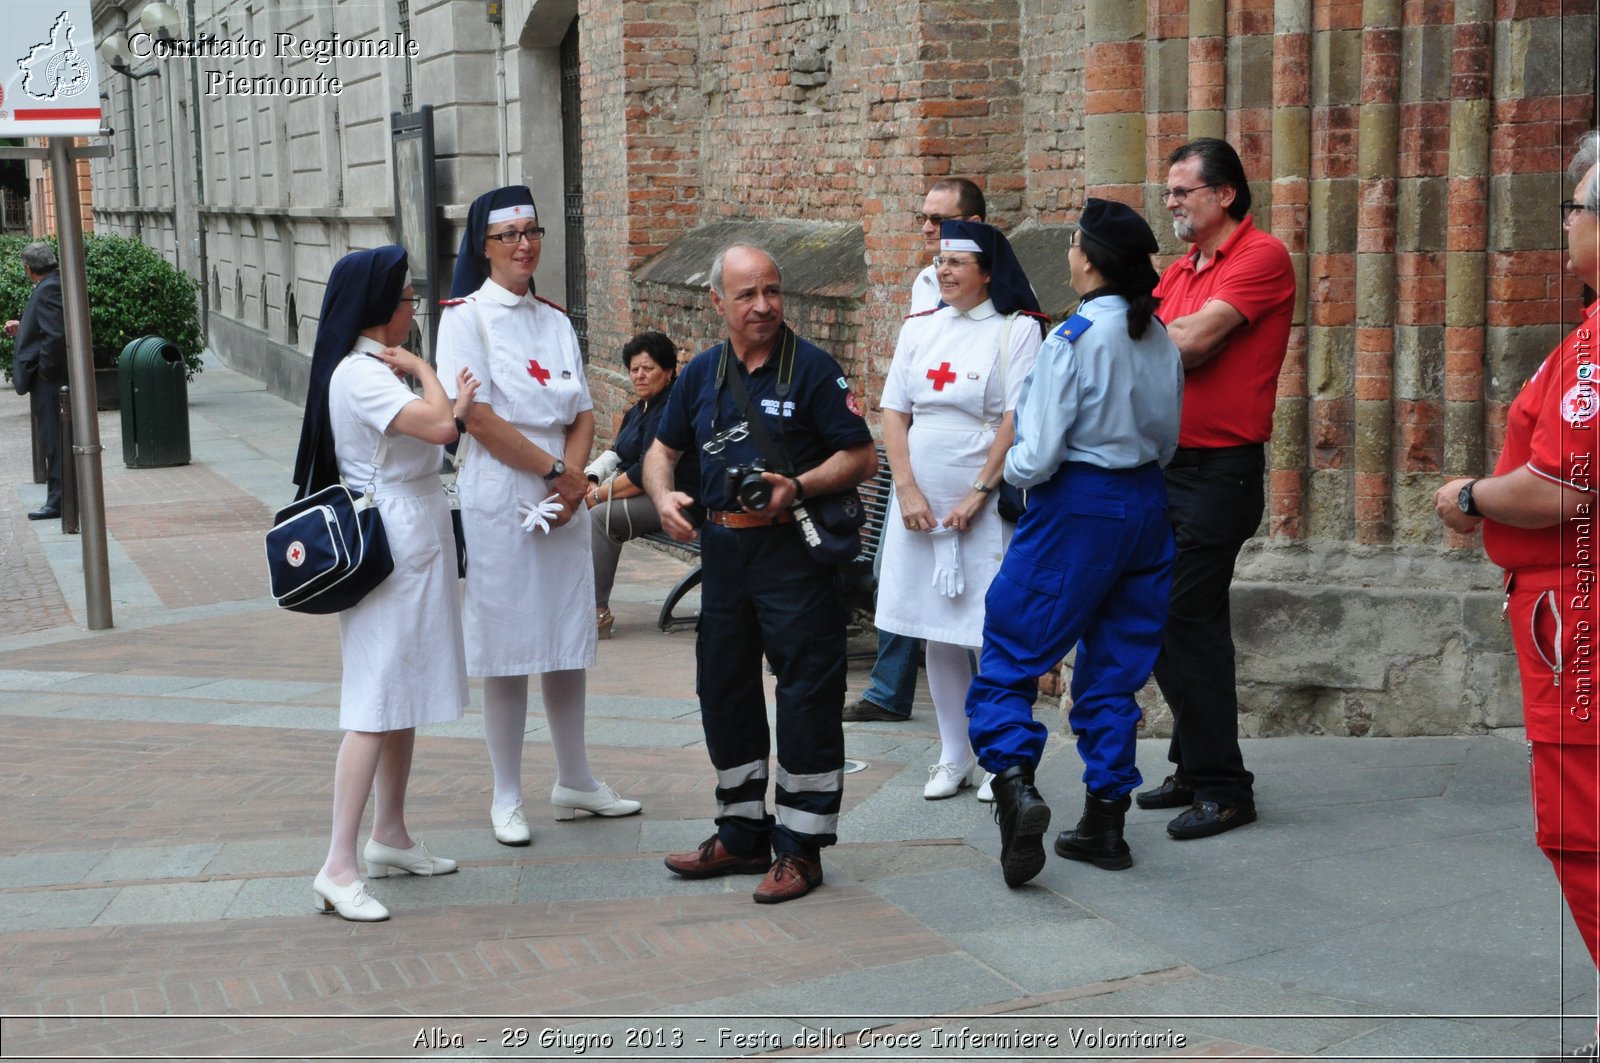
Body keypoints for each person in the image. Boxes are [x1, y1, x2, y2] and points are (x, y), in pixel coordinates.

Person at [645, 244, 876, 904]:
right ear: (717, 302)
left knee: (805, 692)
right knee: (724, 688)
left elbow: (861, 457)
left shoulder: (813, 370)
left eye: (772, 291)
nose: (764, 305)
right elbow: (663, 451)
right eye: (746, 295)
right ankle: (742, 831)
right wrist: (664, 498)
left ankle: (801, 849)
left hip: (791, 555)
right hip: (722, 554)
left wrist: (796, 485)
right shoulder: (700, 374)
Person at [966, 199, 1184, 888]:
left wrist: (1018, 474)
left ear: (1089, 259)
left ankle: (1015, 785)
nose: (1067, 254)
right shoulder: (1160, 337)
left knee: (1010, 652)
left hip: (1078, 505)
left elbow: (1034, 456)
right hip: (1147, 503)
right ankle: (1104, 819)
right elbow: (1171, 439)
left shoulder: (1074, 336)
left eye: (1071, 244)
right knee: (1115, 667)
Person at [1435, 131, 1600, 987]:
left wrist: (1469, 495)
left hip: (1575, 606)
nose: (1564, 225)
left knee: (1581, 830)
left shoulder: (1596, 350)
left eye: (1572, 208)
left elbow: (1566, 490)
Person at [437, 186, 641, 844]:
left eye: (533, 230)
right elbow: (478, 417)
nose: (525, 244)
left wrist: (575, 480)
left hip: (563, 491)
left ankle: (575, 777)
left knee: (564, 637)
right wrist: (555, 474)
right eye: (509, 235)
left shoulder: (554, 320)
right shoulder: (466, 317)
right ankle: (505, 793)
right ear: (484, 246)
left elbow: (580, 410)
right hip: (505, 490)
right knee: (506, 643)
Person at [290, 245, 475, 921]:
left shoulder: (373, 369)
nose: (413, 308)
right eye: (407, 299)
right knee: (374, 700)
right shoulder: (364, 374)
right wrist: (428, 373)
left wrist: (436, 390)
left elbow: (434, 430)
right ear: (380, 309)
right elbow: (441, 425)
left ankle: (389, 833)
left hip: (414, 528)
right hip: (390, 537)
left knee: (403, 693)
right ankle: (337, 863)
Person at [1138, 137, 1295, 840]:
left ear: (1225, 193)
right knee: (1167, 615)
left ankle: (1227, 787)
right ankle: (1196, 765)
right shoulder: (1178, 270)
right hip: (1170, 466)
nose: (1171, 202)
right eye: (1169, 192)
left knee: (1183, 615)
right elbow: (1148, 337)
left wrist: (1146, 343)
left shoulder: (1260, 256)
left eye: (1183, 191)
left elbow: (1187, 345)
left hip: (1221, 471)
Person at [876, 220, 1045, 800]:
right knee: (936, 628)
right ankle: (954, 753)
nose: (943, 271)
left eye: (957, 262)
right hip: (920, 506)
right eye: (940, 261)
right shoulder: (920, 329)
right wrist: (907, 489)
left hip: (984, 503)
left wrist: (978, 492)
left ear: (989, 271)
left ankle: (1001, 753)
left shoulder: (1016, 330)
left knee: (989, 628)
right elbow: (895, 411)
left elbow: (1016, 418)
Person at [846, 177, 988, 727]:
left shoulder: (1000, 291)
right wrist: (903, 474)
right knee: (899, 574)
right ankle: (890, 690)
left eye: (939, 220)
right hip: (915, 453)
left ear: (973, 227)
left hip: (972, 467)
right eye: (923, 219)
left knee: (973, 594)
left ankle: (989, 719)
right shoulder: (924, 283)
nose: (927, 229)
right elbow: (903, 384)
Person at [586, 331, 700, 639]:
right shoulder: (638, 410)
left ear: (667, 371)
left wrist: (598, 496)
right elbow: (616, 452)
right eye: (634, 369)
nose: (639, 375)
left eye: (647, 368)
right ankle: (567, 603)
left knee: (599, 518)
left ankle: (595, 611)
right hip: (646, 498)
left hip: (676, 501)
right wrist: (591, 478)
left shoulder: (670, 409)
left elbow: (642, 474)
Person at [5, 243, 66, 520]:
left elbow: (55, 335)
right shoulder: (51, 284)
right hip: (49, 378)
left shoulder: (49, 288)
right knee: (50, 437)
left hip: (50, 381)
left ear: (28, 268)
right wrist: (24, 327)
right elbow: (46, 327)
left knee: (53, 438)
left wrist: (45, 372)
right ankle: (59, 497)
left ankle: (59, 500)